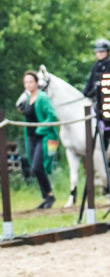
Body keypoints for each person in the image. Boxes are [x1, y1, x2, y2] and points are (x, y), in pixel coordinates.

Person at [16, 71, 60, 209]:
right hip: (31, 137)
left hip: (44, 137)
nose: (28, 84)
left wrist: (40, 128)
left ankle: (50, 195)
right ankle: (47, 196)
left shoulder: (42, 98)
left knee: (37, 166)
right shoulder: (27, 98)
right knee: (35, 168)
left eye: (31, 81)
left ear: (36, 83)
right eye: (26, 82)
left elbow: (52, 116)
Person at [82, 38, 110, 149]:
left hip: (105, 96)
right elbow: (91, 80)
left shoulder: (109, 64)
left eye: (102, 52)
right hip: (95, 96)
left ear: (107, 52)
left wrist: (93, 92)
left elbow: (104, 82)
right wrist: (85, 92)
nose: (99, 54)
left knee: (105, 115)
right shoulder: (96, 65)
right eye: (98, 52)